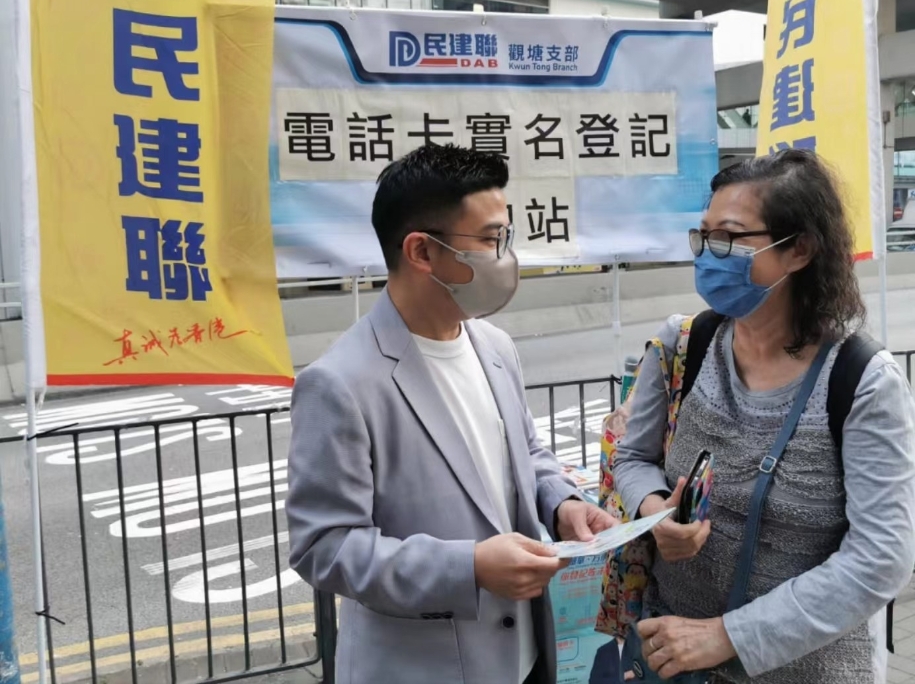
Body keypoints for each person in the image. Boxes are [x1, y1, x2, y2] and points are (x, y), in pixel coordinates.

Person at [286, 143, 615, 684]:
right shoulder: (340, 383)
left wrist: (562, 505)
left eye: (505, 236)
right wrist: (469, 567)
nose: (505, 255)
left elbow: (525, 454)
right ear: (422, 251)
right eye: (490, 239)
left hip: (526, 658)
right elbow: (324, 547)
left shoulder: (494, 346)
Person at [614, 150, 915, 683]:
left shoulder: (861, 381)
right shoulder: (684, 344)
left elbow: (880, 559)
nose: (708, 255)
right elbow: (633, 457)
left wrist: (727, 636)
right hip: (670, 658)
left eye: (729, 238)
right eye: (703, 236)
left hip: (809, 671)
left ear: (799, 249)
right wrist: (655, 510)